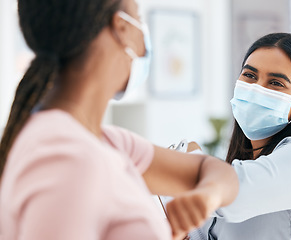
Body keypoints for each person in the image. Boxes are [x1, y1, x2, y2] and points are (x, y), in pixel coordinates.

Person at [0, 0, 239, 239]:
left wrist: (208, 195)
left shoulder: (107, 143)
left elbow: (216, 172)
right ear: (122, 28)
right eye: (138, 18)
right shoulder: (67, 156)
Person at [189, 33, 291, 240]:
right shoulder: (247, 167)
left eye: (276, 83)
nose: (256, 89)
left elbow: (232, 193)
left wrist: (191, 158)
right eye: (250, 75)